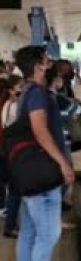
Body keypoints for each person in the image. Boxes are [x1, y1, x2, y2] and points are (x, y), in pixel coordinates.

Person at [14, 46, 75, 261]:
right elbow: (40, 132)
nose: (50, 62)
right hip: (43, 173)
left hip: (28, 173)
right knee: (49, 233)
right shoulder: (37, 94)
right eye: (45, 59)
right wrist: (63, 163)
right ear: (38, 66)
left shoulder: (27, 91)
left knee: (29, 233)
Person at [2, 75, 22, 239]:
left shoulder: (8, 105)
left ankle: (12, 224)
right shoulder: (13, 106)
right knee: (15, 189)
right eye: (19, 86)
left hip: (10, 150)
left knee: (14, 189)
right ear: (11, 90)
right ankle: (10, 226)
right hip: (15, 151)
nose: (22, 89)